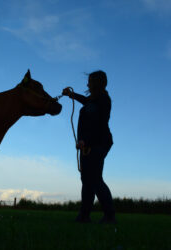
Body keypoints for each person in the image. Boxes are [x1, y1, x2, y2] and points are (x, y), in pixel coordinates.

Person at [62, 70, 116, 224]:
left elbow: (98, 124)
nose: (88, 84)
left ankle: (109, 216)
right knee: (87, 179)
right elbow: (86, 102)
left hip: (97, 144)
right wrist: (71, 95)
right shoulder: (95, 100)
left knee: (95, 179)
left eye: (90, 81)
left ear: (97, 83)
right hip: (91, 144)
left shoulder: (103, 100)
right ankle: (84, 216)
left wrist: (85, 140)